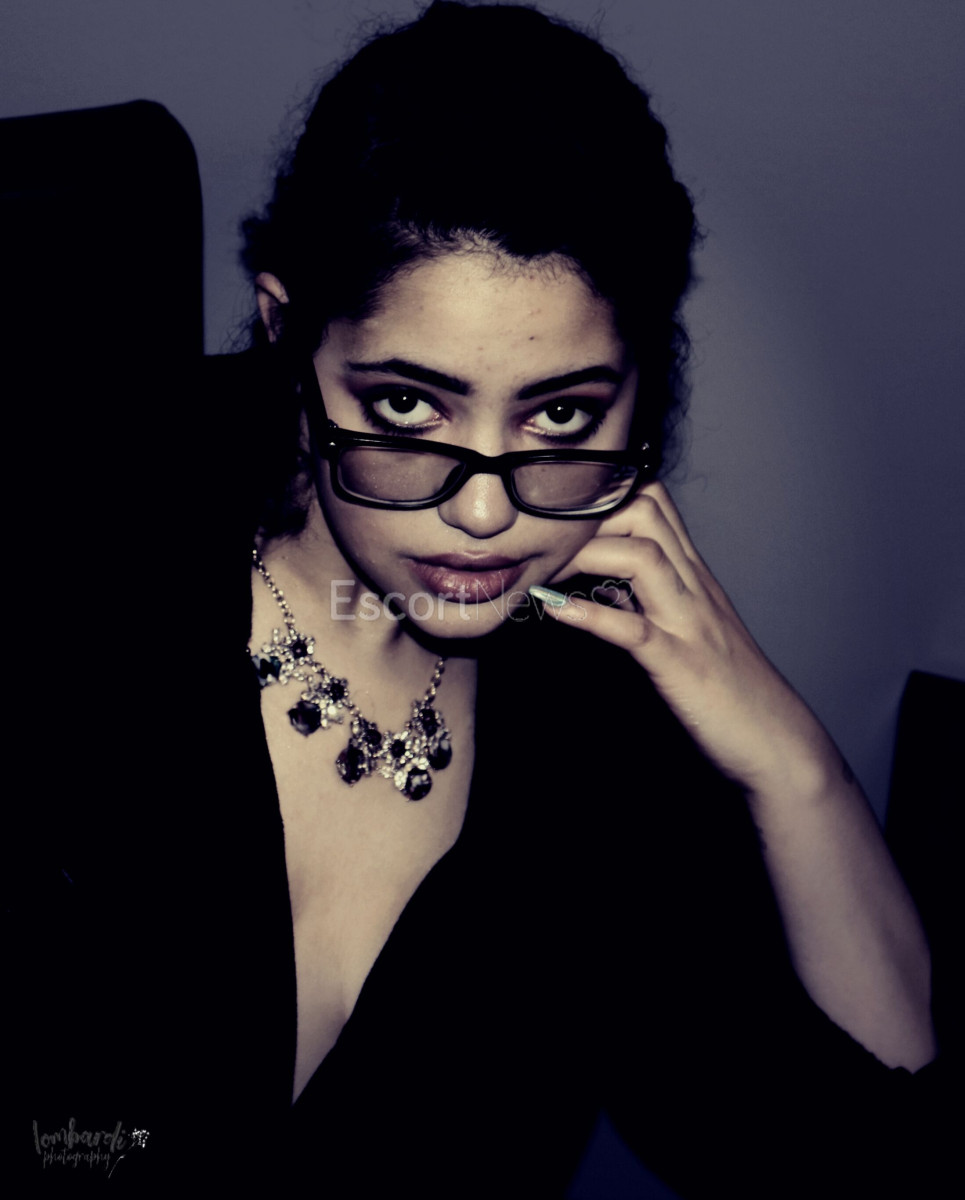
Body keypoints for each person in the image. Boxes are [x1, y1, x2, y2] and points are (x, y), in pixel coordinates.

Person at [9, 2, 948, 1195]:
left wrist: (789, 762)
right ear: (285, 333)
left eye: (558, 414)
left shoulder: (598, 710)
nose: (489, 514)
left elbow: (862, 1156)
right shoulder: (70, 536)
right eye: (408, 406)